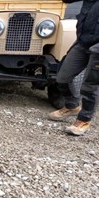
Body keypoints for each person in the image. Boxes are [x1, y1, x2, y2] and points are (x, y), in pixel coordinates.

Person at [49, 0, 99, 135]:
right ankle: (72, 106)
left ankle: (84, 120)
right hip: (83, 42)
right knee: (62, 77)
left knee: (90, 86)